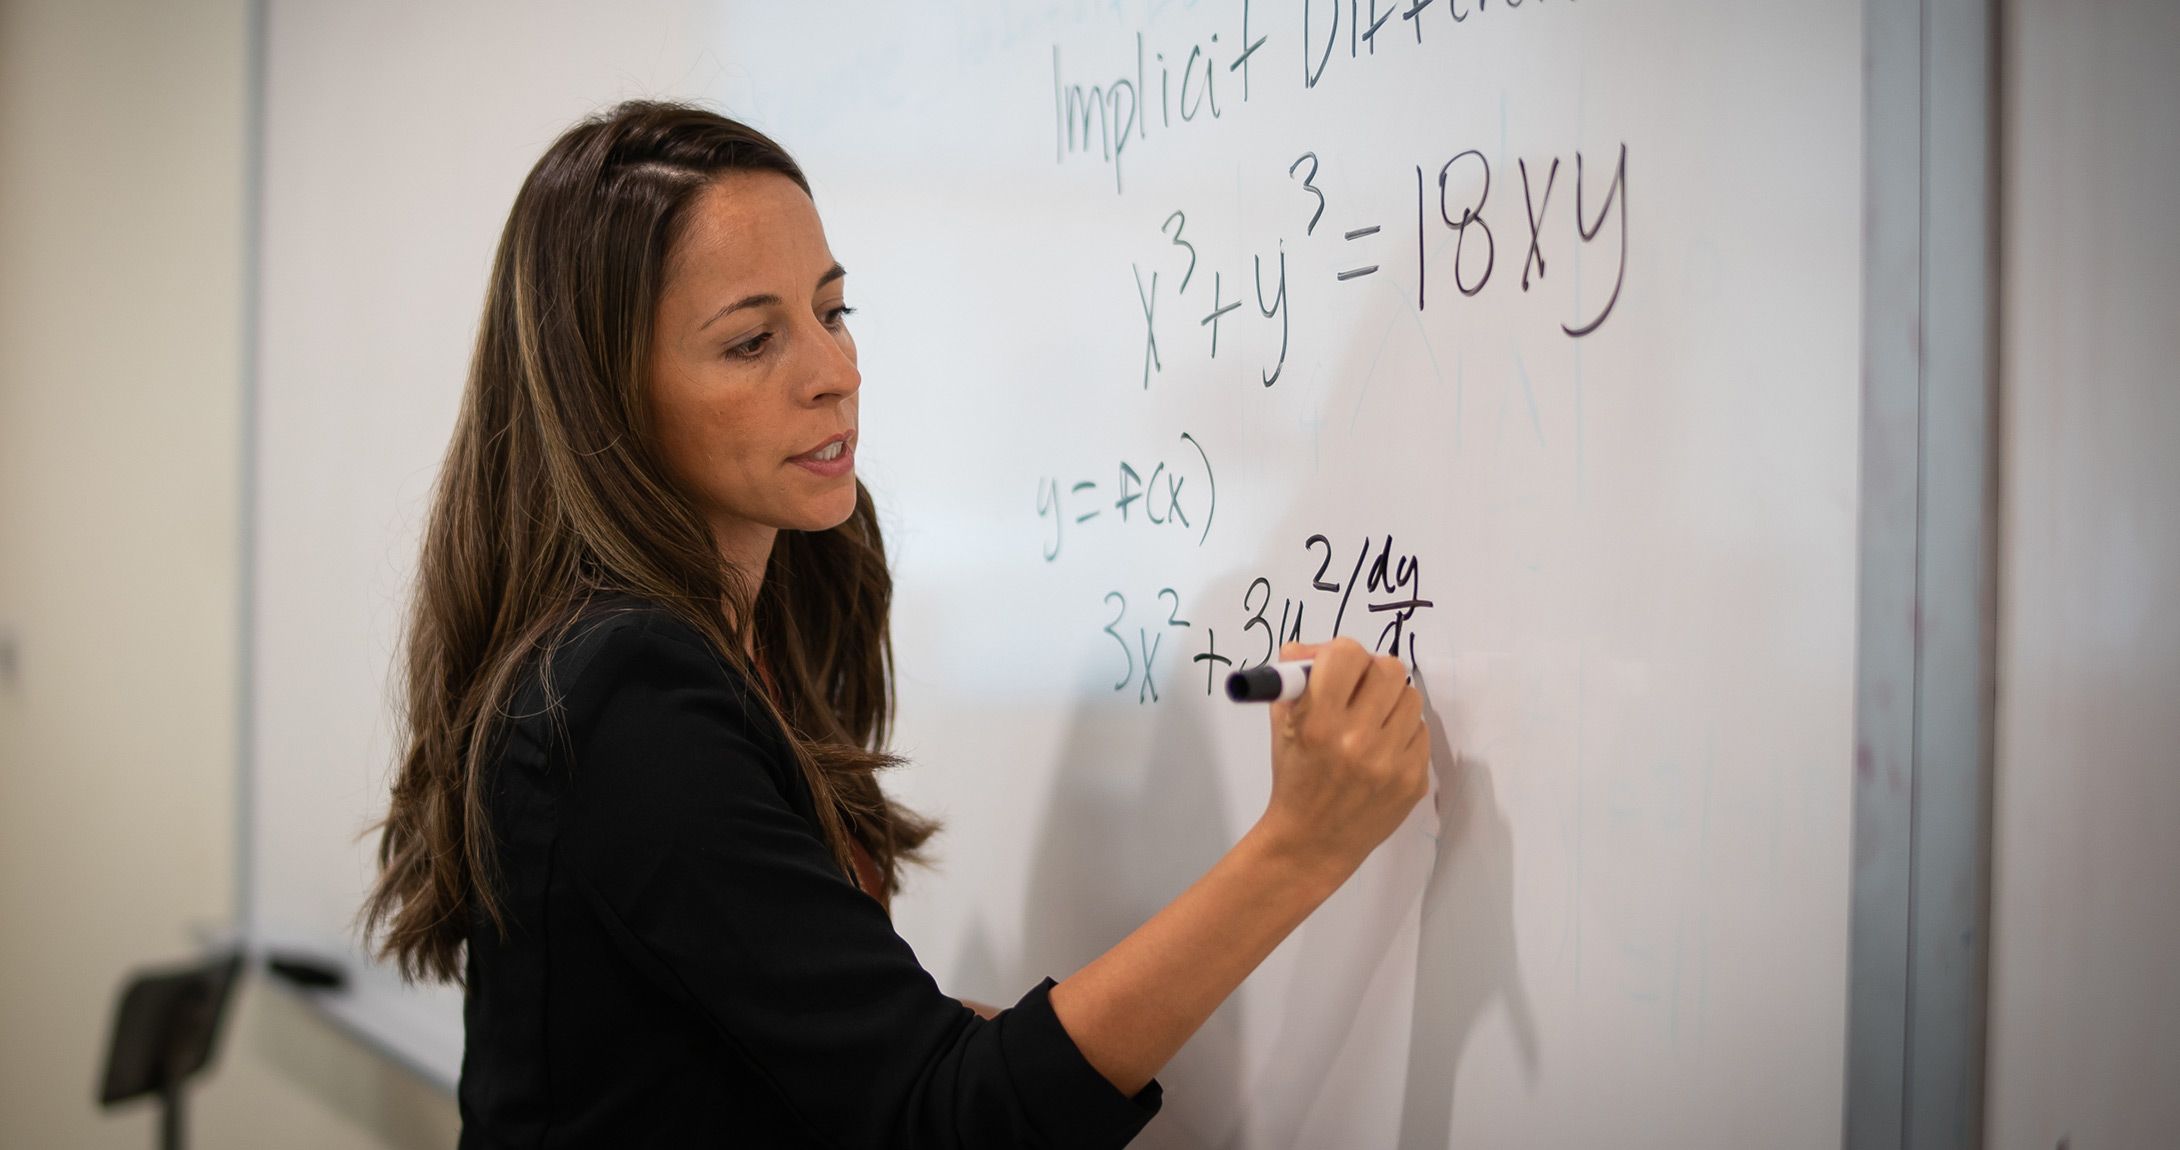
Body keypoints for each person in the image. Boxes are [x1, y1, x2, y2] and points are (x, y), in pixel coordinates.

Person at [362, 100, 1434, 1148]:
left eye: (832, 311)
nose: (835, 373)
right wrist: (1299, 850)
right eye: (749, 342)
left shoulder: (773, 608)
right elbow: (939, 1120)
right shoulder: (623, 691)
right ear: (609, 396)